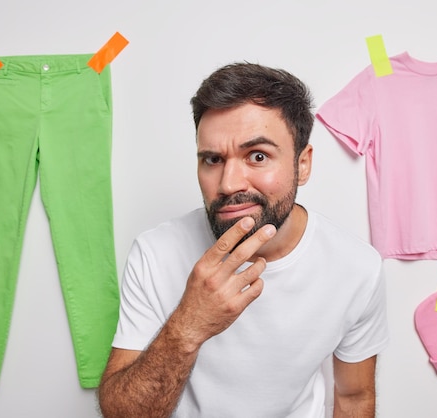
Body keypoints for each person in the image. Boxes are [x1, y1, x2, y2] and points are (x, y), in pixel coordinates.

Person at [98, 62, 389, 418]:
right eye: (213, 159)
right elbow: (120, 414)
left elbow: (355, 397)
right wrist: (188, 325)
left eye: (258, 156)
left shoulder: (357, 267)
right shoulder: (156, 253)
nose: (228, 184)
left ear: (302, 164)